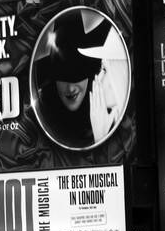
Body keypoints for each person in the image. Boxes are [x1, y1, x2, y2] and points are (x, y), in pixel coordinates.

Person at [33, 9, 123, 149]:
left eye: (78, 74)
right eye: (62, 76)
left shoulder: (118, 120)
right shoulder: (41, 119)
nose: (70, 87)